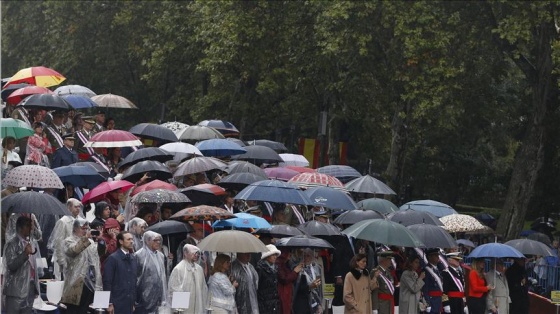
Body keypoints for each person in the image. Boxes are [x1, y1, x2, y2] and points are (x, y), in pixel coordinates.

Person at [61, 218, 103, 313]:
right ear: (75, 229)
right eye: (82, 228)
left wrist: (100, 240)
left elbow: (100, 253)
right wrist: (86, 238)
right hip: (76, 283)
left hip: (90, 281)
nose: (85, 231)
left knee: (86, 309)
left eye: (86, 228)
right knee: (74, 311)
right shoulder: (68, 241)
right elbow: (74, 250)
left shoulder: (91, 241)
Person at [2, 216, 40, 314]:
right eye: (28, 226)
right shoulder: (12, 244)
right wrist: (24, 254)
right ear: (20, 227)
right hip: (16, 291)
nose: (30, 229)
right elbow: (11, 265)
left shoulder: (31, 243)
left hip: (30, 289)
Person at [103, 231, 138, 314]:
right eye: (128, 239)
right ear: (121, 241)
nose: (131, 241)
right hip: (117, 301)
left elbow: (134, 281)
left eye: (132, 239)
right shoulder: (112, 259)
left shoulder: (133, 258)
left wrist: (133, 302)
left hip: (129, 302)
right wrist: (109, 303)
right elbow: (107, 282)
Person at [48, 198, 83, 280]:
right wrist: (61, 261)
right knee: (63, 283)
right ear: (69, 207)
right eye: (76, 207)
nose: (78, 209)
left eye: (79, 207)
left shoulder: (81, 221)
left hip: (77, 257)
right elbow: (58, 242)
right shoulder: (63, 222)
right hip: (65, 257)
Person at [168, 244, 208, 314]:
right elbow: (175, 290)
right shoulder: (179, 269)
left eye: (197, 253)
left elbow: (203, 288)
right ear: (185, 253)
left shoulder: (199, 269)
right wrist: (179, 310)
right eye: (193, 253)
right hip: (185, 308)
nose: (196, 255)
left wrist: (204, 304)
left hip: (198, 306)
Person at [135, 231, 168, 314]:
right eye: (155, 240)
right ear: (147, 241)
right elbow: (135, 277)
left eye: (159, 240)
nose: (158, 242)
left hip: (158, 296)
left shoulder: (161, 255)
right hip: (143, 297)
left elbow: (163, 276)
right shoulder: (139, 255)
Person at [293, 248, 324, 314]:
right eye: (304, 256)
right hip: (303, 303)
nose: (305, 258)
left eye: (308, 256)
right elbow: (297, 288)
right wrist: (310, 287)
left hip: (315, 301)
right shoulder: (298, 269)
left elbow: (319, 289)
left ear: (312, 256)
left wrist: (320, 303)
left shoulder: (316, 268)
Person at [256, 244, 281, 313]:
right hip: (264, 304)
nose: (275, 257)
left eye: (276, 255)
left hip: (274, 303)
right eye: (273, 255)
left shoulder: (275, 269)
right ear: (267, 256)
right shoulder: (260, 269)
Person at [277, 247, 303, 314]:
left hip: (288, 293)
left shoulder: (286, 264)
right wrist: (294, 272)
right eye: (288, 254)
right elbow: (284, 279)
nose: (290, 256)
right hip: (283, 294)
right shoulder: (279, 264)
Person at [422, 248, 444, 314]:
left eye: (438, 255)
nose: (438, 257)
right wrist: (427, 302)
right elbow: (425, 288)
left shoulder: (437, 269)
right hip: (432, 300)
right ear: (430, 257)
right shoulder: (426, 270)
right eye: (435, 255)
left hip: (439, 299)